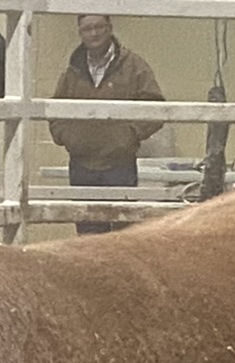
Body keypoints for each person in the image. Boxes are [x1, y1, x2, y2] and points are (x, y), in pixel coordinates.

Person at [49, 13, 162, 235]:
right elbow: (55, 111)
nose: (94, 33)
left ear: (109, 28)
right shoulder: (72, 71)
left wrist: (128, 135)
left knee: (123, 233)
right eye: (87, 29)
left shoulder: (134, 66)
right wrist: (67, 137)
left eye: (99, 27)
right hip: (81, 165)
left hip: (120, 165)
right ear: (80, 34)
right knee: (87, 233)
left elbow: (155, 108)